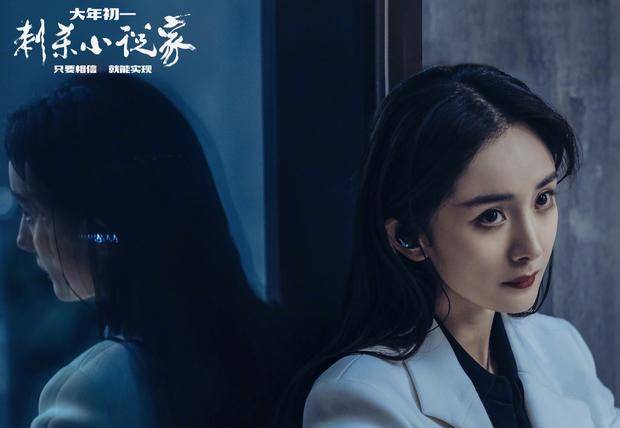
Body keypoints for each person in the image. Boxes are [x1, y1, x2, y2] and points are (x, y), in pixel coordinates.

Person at [280, 64, 620, 427]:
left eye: (543, 199)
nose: (531, 247)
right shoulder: (362, 397)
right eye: (491, 216)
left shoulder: (562, 347)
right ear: (409, 237)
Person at [6, 74, 273, 427]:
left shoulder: (92, 394)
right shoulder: (269, 347)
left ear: (98, 224)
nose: (23, 239)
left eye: (31, 212)